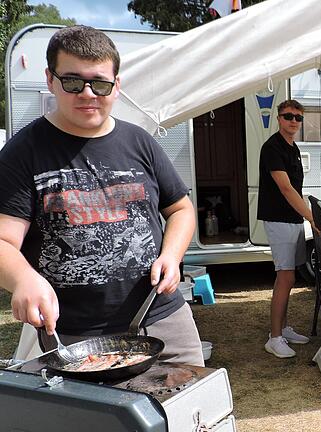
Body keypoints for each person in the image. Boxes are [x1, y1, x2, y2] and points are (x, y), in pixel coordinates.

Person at [0, 26, 203, 365]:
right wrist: (22, 278)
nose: (88, 93)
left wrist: (172, 254)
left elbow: (181, 209)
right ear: (50, 80)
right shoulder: (24, 152)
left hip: (162, 319)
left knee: (190, 413)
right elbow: (4, 241)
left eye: (100, 83)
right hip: (74, 333)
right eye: (73, 82)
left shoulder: (141, 143)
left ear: (117, 86)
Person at [258, 99, 316, 359]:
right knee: (285, 276)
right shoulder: (272, 148)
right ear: (279, 118)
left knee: (291, 277)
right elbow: (285, 188)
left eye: (298, 118)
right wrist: (311, 217)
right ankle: (275, 338)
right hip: (279, 219)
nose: (293, 121)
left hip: (293, 219)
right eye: (288, 116)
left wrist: (304, 216)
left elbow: (296, 189)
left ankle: (283, 327)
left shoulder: (293, 148)